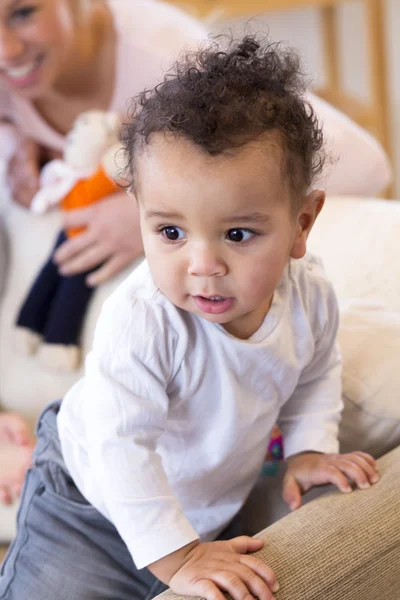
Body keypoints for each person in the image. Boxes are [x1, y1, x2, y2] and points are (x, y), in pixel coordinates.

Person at [0, 36, 379, 599]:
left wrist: (307, 449)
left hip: (198, 508)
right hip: (86, 502)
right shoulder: (144, 320)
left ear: (302, 222)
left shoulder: (311, 299)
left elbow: (316, 373)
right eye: (171, 232)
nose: (203, 267)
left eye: (237, 234)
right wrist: (180, 558)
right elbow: (120, 445)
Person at [0, 0, 207, 504]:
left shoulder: (165, 53)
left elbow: (366, 166)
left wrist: (155, 216)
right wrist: (15, 145)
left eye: (23, 12)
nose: (5, 48)